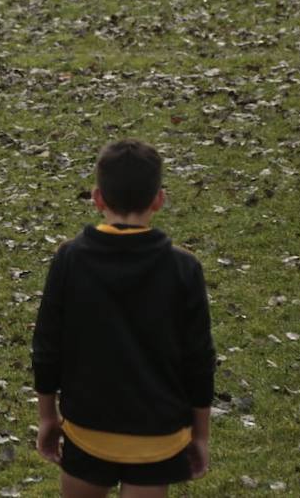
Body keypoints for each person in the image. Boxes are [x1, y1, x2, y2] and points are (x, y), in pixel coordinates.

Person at [32, 139, 214, 496]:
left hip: (87, 427)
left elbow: (47, 345)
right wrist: (201, 434)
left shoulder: (69, 259)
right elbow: (199, 358)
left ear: (97, 198)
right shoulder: (184, 267)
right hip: (158, 434)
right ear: (159, 199)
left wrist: (47, 416)